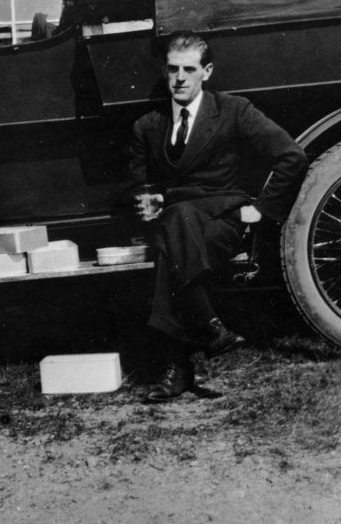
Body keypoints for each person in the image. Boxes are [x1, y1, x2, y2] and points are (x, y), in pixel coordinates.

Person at [129, 32, 307, 403]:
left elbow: (292, 156)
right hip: (179, 226)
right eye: (173, 69)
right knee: (174, 232)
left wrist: (262, 208)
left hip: (222, 224)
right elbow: (138, 184)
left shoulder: (233, 110)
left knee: (172, 239)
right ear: (164, 71)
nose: (180, 78)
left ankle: (181, 359)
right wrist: (145, 197)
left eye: (189, 69)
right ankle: (207, 329)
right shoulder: (148, 125)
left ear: (206, 72)